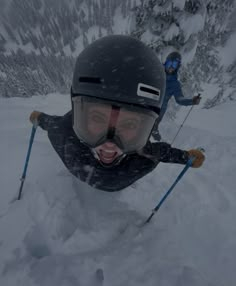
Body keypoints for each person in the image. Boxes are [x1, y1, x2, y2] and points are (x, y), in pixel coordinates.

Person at [30, 35, 205, 192]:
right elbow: (53, 124)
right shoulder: (67, 134)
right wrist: (40, 118)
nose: (109, 145)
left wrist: (185, 157)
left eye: (129, 124)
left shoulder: (142, 155)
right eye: (98, 118)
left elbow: (162, 151)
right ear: (79, 116)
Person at [152, 51, 201, 141]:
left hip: (160, 111)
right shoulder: (156, 73)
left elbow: (179, 99)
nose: (171, 67)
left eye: (174, 65)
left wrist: (192, 101)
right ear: (166, 62)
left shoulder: (175, 84)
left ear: (177, 67)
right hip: (148, 104)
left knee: (153, 130)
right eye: (170, 63)